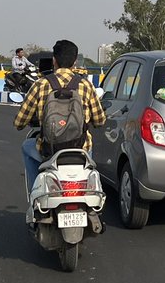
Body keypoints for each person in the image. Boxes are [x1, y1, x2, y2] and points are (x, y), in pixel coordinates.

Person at [14, 39, 106, 208]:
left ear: (54, 60)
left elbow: (19, 121)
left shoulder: (41, 84)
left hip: (49, 149)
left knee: (27, 146)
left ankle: (36, 194)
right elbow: (100, 120)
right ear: (75, 61)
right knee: (89, 152)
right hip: (81, 148)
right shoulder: (85, 85)